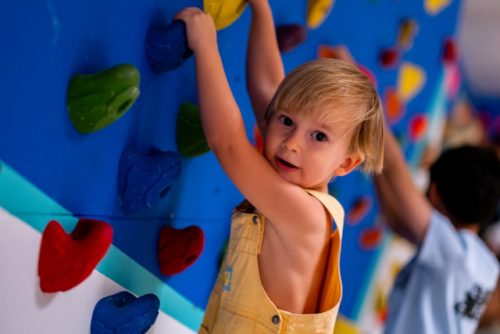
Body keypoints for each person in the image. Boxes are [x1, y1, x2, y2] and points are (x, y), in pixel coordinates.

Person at [175, 0, 385, 332]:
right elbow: (267, 88)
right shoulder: (298, 175)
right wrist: (261, 11)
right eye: (287, 120)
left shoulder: (308, 216)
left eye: (318, 136)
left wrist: (205, 45)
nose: (292, 143)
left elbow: (228, 145)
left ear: (346, 163)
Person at [374, 123, 500, 334]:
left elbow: (395, 168)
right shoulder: (484, 265)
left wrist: (369, 110)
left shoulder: (455, 253)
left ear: (434, 193)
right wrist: (374, 163)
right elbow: (397, 223)